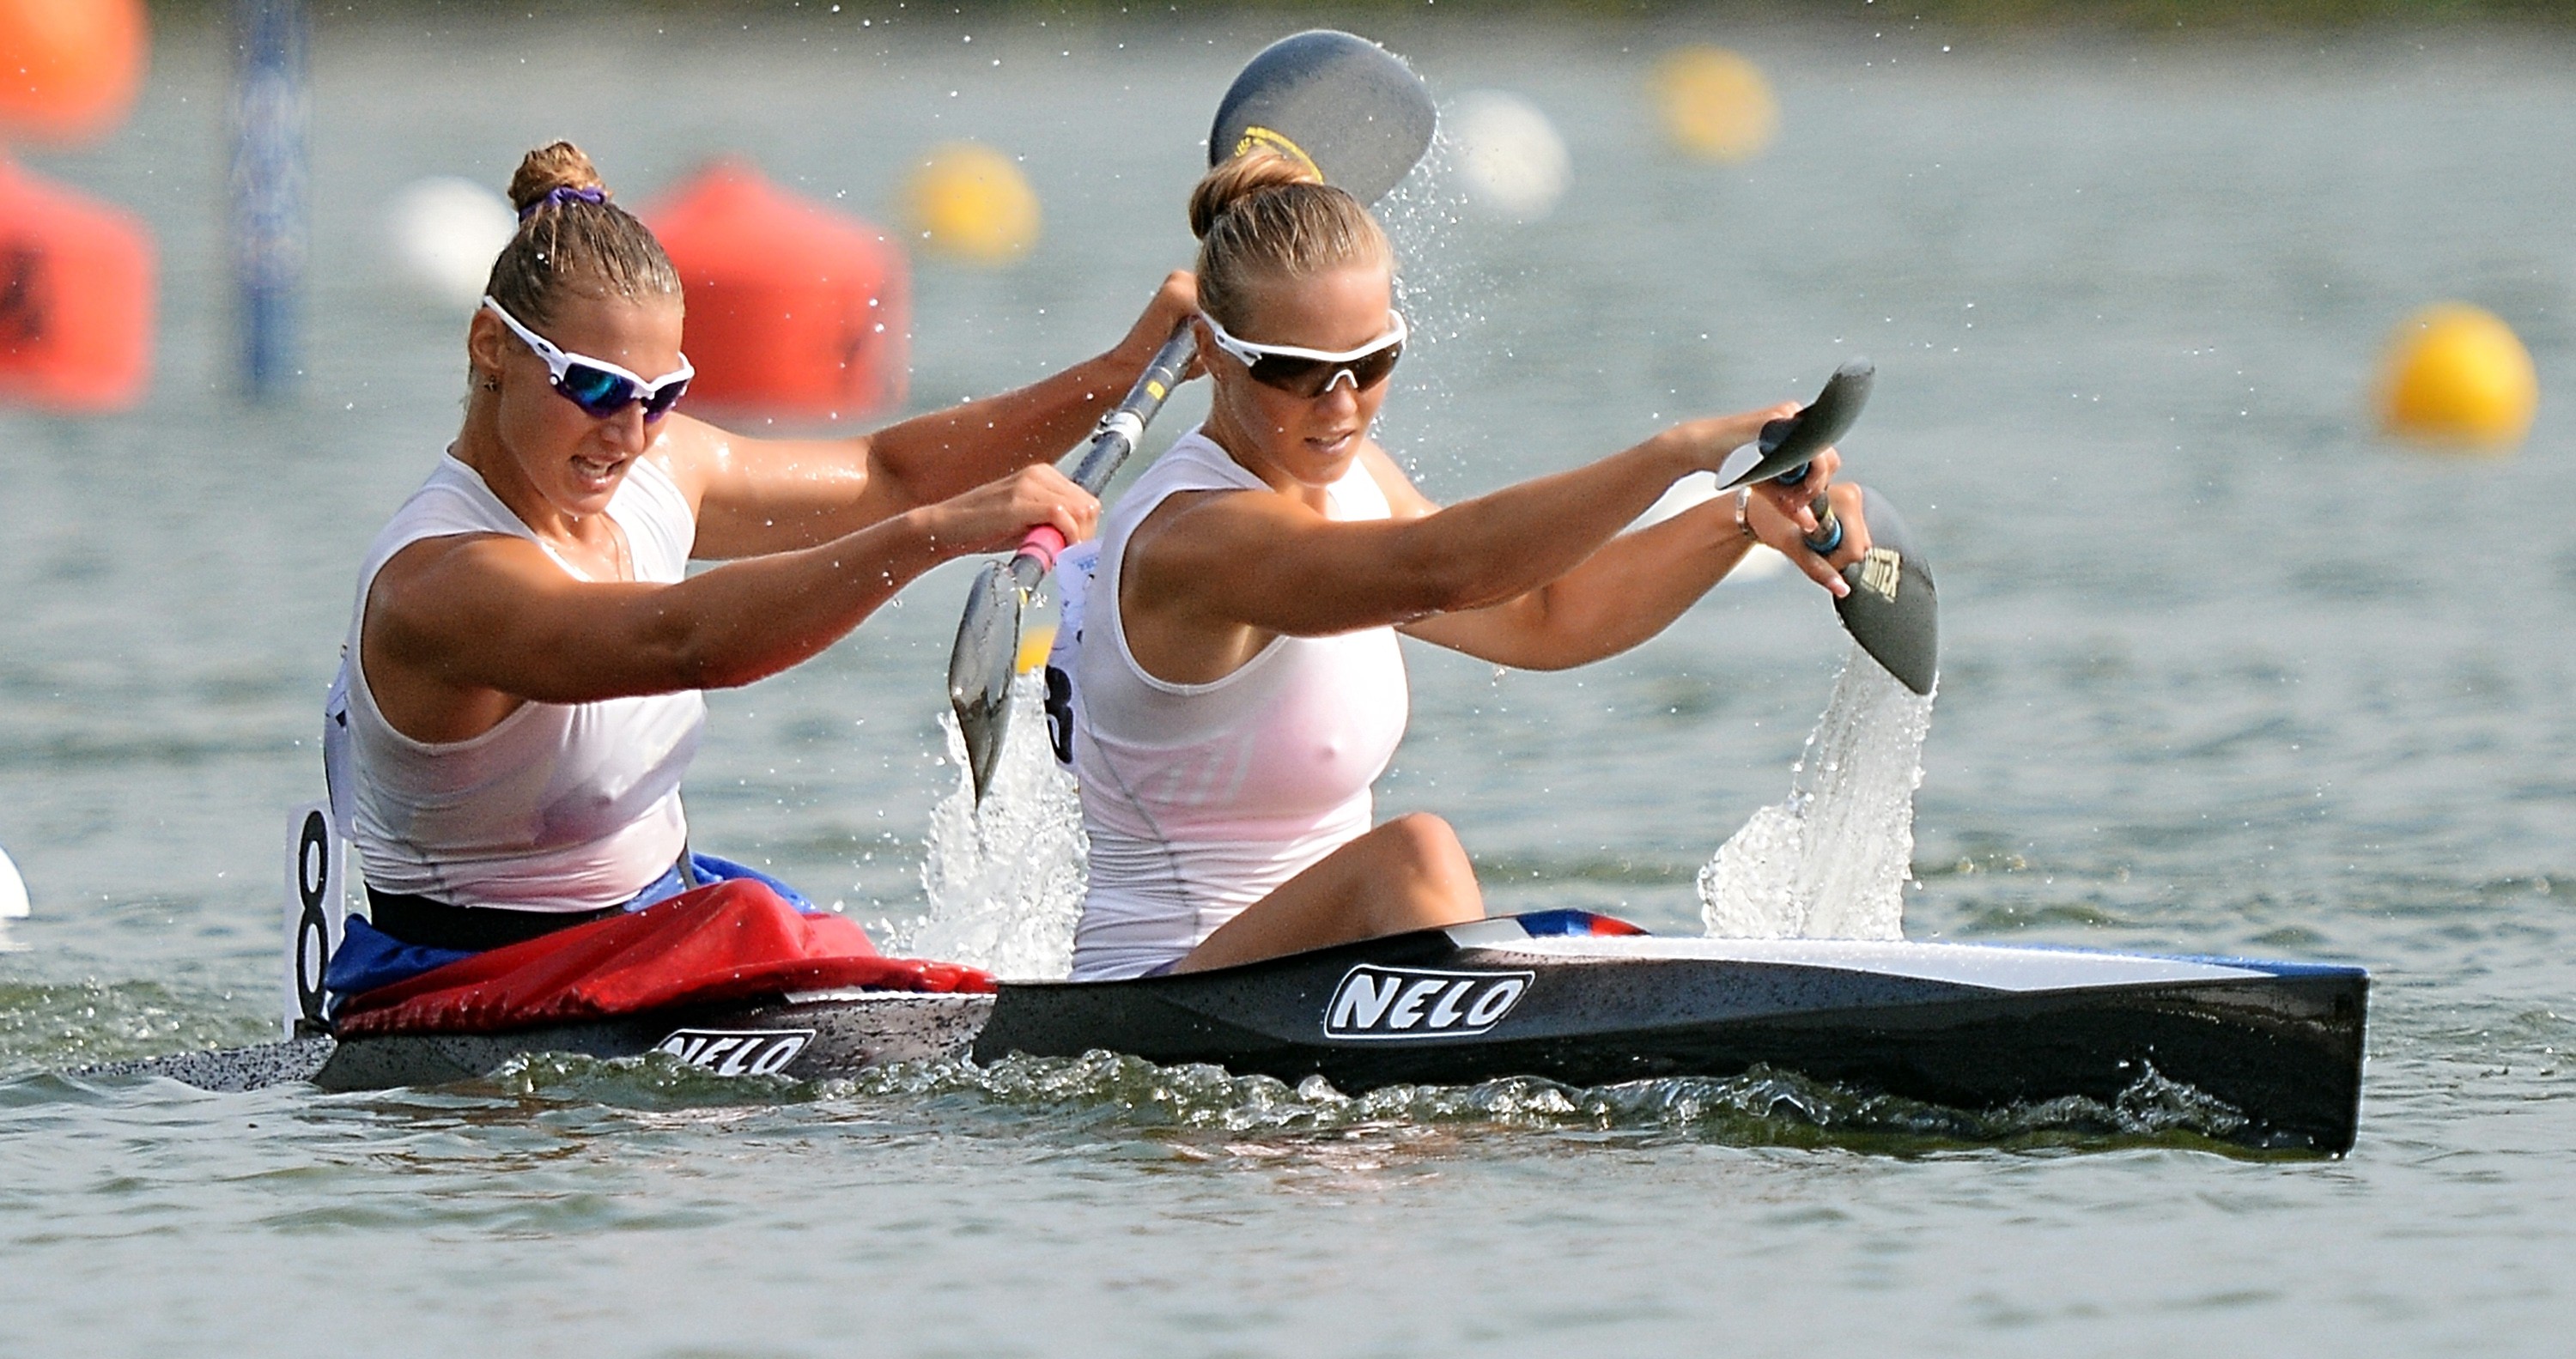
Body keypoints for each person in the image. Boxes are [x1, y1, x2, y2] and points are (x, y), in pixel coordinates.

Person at [324, 140, 1193, 980]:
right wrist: (936, 532)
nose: (627, 435)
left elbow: (888, 472)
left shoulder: (657, 468)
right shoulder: (439, 583)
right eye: (593, 387)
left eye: (661, 397)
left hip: (652, 920)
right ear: (490, 346)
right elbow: (681, 639)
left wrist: (1118, 371)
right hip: (474, 976)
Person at [1058, 150, 1873, 981]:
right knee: (1413, 856)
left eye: (1371, 362)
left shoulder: (1356, 482)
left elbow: (1544, 614)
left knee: (1417, 868)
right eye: (1297, 372)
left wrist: (1740, 518)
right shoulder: (1191, 538)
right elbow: (1439, 568)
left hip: (1320, 988)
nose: (1341, 407)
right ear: (1212, 350)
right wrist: (1678, 453)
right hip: (1161, 1000)